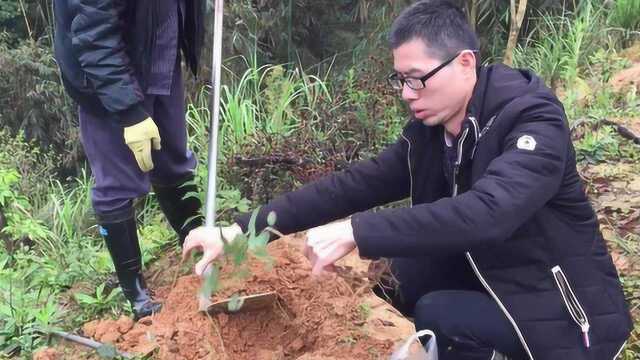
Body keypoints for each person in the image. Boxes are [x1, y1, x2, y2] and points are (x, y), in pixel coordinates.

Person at [182, 1, 632, 358]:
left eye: (417, 79)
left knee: (439, 312)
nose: (405, 94)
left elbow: (490, 213)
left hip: (568, 316)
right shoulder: (433, 132)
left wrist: (357, 230)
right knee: (401, 273)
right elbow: (354, 185)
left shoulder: (531, 118)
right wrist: (242, 226)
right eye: (400, 80)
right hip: (495, 271)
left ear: (465, 63)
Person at [53, 0, 205, 320]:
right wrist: (128, 111)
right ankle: (136, 295)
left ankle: (198, 246)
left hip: (159, 49)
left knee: (173, 160)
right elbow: (93, 32)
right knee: (117, 185)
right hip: (108, 72)